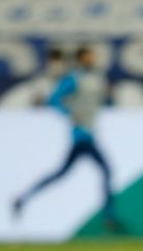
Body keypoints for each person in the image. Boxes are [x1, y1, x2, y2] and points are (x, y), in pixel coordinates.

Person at [12, 46, 120, 230]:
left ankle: (23, 198)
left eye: (92, 56)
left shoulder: (96, 78)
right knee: (105, 171)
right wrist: (70, 113)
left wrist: (109, 96)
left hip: (89, 134)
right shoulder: (74, 78)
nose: (92, 59)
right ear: (80, 58)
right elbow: (53, 100)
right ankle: (109, 217)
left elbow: (102, 102)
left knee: (63, 173)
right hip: (81, 136)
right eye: (88, 56)